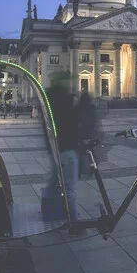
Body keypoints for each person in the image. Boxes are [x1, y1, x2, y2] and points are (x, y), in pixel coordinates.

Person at [46, 72, 79, 218]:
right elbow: (72, 124)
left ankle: (50, 211)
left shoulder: (50, 99)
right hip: (67, 148)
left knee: (53, 183)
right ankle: (74, 221)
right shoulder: (66, 100)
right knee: (70, 187)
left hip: (55, 148)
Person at [76, 92, 99, 177]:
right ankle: (92, 169)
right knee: (91, 153)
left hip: (81, 134)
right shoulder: (91, 107)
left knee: (80, 153)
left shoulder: (79, 107)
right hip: (89, 133)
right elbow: (94, 120)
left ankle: (79, 170)